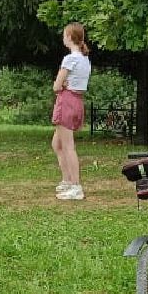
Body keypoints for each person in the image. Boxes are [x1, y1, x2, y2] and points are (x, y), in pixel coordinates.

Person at [51, 21, 91, 200]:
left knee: (68, 147)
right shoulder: (84, 59)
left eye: (64, 35)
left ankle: (76, 186)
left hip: (66, 101)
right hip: (77, 102)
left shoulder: (70, 59)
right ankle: (67, 180)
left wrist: (62, 85)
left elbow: (56, 86)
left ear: (69, 37)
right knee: (57, 144)